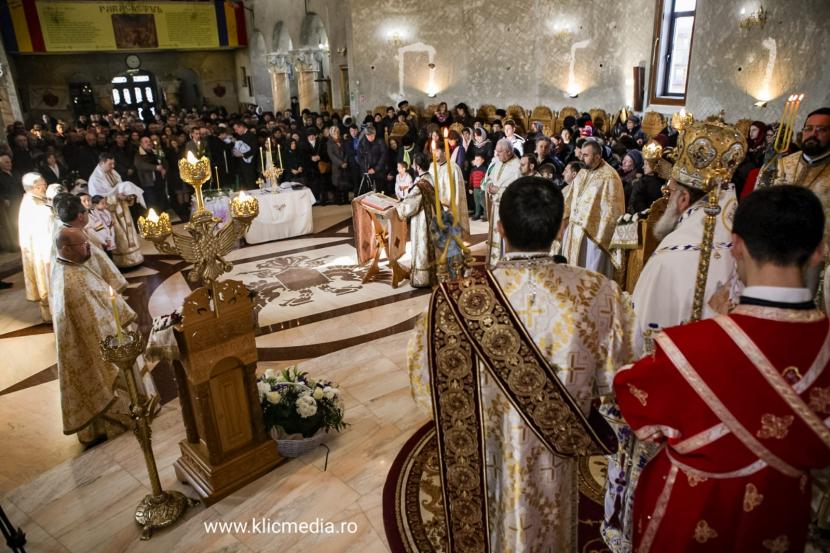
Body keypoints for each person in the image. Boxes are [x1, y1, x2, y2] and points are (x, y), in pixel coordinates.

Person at [407, 176, 633, 552]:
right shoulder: (600, 293)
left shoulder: (453, 301)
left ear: (498, 227)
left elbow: (425, 384)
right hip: (554, 458)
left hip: (485, 455)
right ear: (561, 229)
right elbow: (620, 380)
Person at [613, 185, 830, 553]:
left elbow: (629, 394)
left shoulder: (688, 347)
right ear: (820, 251)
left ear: (737, 245)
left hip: (693, 513)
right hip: (780, 515)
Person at [50, 226, 154, 447]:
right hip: (105, 346)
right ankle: (128, 418)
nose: (89, 247)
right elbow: (91, 327)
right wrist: (119, 344)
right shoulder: (71, 284)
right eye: (83, 244)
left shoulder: (70, 266)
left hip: (107, 333)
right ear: (66, 249)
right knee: (113, 381)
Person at [774, 107, 830, 312]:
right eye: (808, 129)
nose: (812, 134)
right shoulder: (782, 165)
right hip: (780, 253)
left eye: (821, 130)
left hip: (821, 259)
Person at [559, 139, 625, 278]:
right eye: (581, 154)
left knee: (587, 276)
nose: (581, 158)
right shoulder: (582, 172)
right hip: (573, 231)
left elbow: (613, 210)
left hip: (593, 236)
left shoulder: (610, 177)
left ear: (597, 157)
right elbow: (570, 199)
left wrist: (601, 234)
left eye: (585, 155)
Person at [87, 152, 145, 268]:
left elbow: (120, 186)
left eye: (113, 163)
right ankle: (122, 262)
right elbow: (97, 200)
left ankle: (135, 257)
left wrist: (128, 196)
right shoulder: (95, 179)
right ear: (102, 163)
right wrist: (116, 197)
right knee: (119, 236)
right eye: (110, 164)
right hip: (110, 213)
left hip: (122, 208)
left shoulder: (112, 172)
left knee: (129, 233)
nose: (113, 166)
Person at [394, 153, 437, 288]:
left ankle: (423, 278)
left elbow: (408, 207)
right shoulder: (430, 178)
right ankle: (433, 273)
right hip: (432, 216)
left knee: (422, 248)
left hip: (422, 221)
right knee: (429, 247)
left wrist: (397, 208)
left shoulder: (419, 185)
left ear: (417, 167)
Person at [18, 172, 53, 321]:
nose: (45, 187)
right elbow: (39, 230)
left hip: (47, 246)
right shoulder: (30, 204)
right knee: (46, 281)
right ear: (35, 187)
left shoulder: (38, 199)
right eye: (42, 185)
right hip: (42, 250)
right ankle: (50, 314)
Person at [484, 138, 521, 266]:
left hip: (507, 210)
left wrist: (497, 190)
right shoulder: (499, 162)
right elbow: (489, 178)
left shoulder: (517, 167)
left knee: (504, 237)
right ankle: (492, 262)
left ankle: (503, 264)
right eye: (497, 151)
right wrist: (489, 186)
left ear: (509, 152)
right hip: (496, 207)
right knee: (494, 235)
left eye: (500, 152)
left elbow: (516, 192)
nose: (497, 154)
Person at [436, 139, 470, 240]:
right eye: (433, 151)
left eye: (437, 152)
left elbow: (457, 192)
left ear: (445, 153)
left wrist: (445, 203)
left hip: (450, 206)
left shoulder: (454, 168)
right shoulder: (431, 168)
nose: (435, 154)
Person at [358, 126, 387, 194]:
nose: (371, 138)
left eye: (372, 135)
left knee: (380, 190)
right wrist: (366, 168)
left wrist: (375, 169)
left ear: (375, 134)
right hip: (367, 170)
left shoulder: (380, 141)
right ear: (365, 135)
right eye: (369, 136)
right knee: (367, 191)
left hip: (379, 170)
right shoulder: (362, 142)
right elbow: (360, 157)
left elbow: (384, 156)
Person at [469, 152, 487, 221]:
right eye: (475, 160)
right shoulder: (473, 170)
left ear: (482, 161)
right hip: (475, 188)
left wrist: (484, 187)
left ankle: (486, 214)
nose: (476, 161)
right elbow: (471, 179)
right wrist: (470, 187)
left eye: (478, 160)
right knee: (476, 202)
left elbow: (486, 179)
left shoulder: (484, 169)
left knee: (483, 202)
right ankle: (477, 214)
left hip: (482, 189)